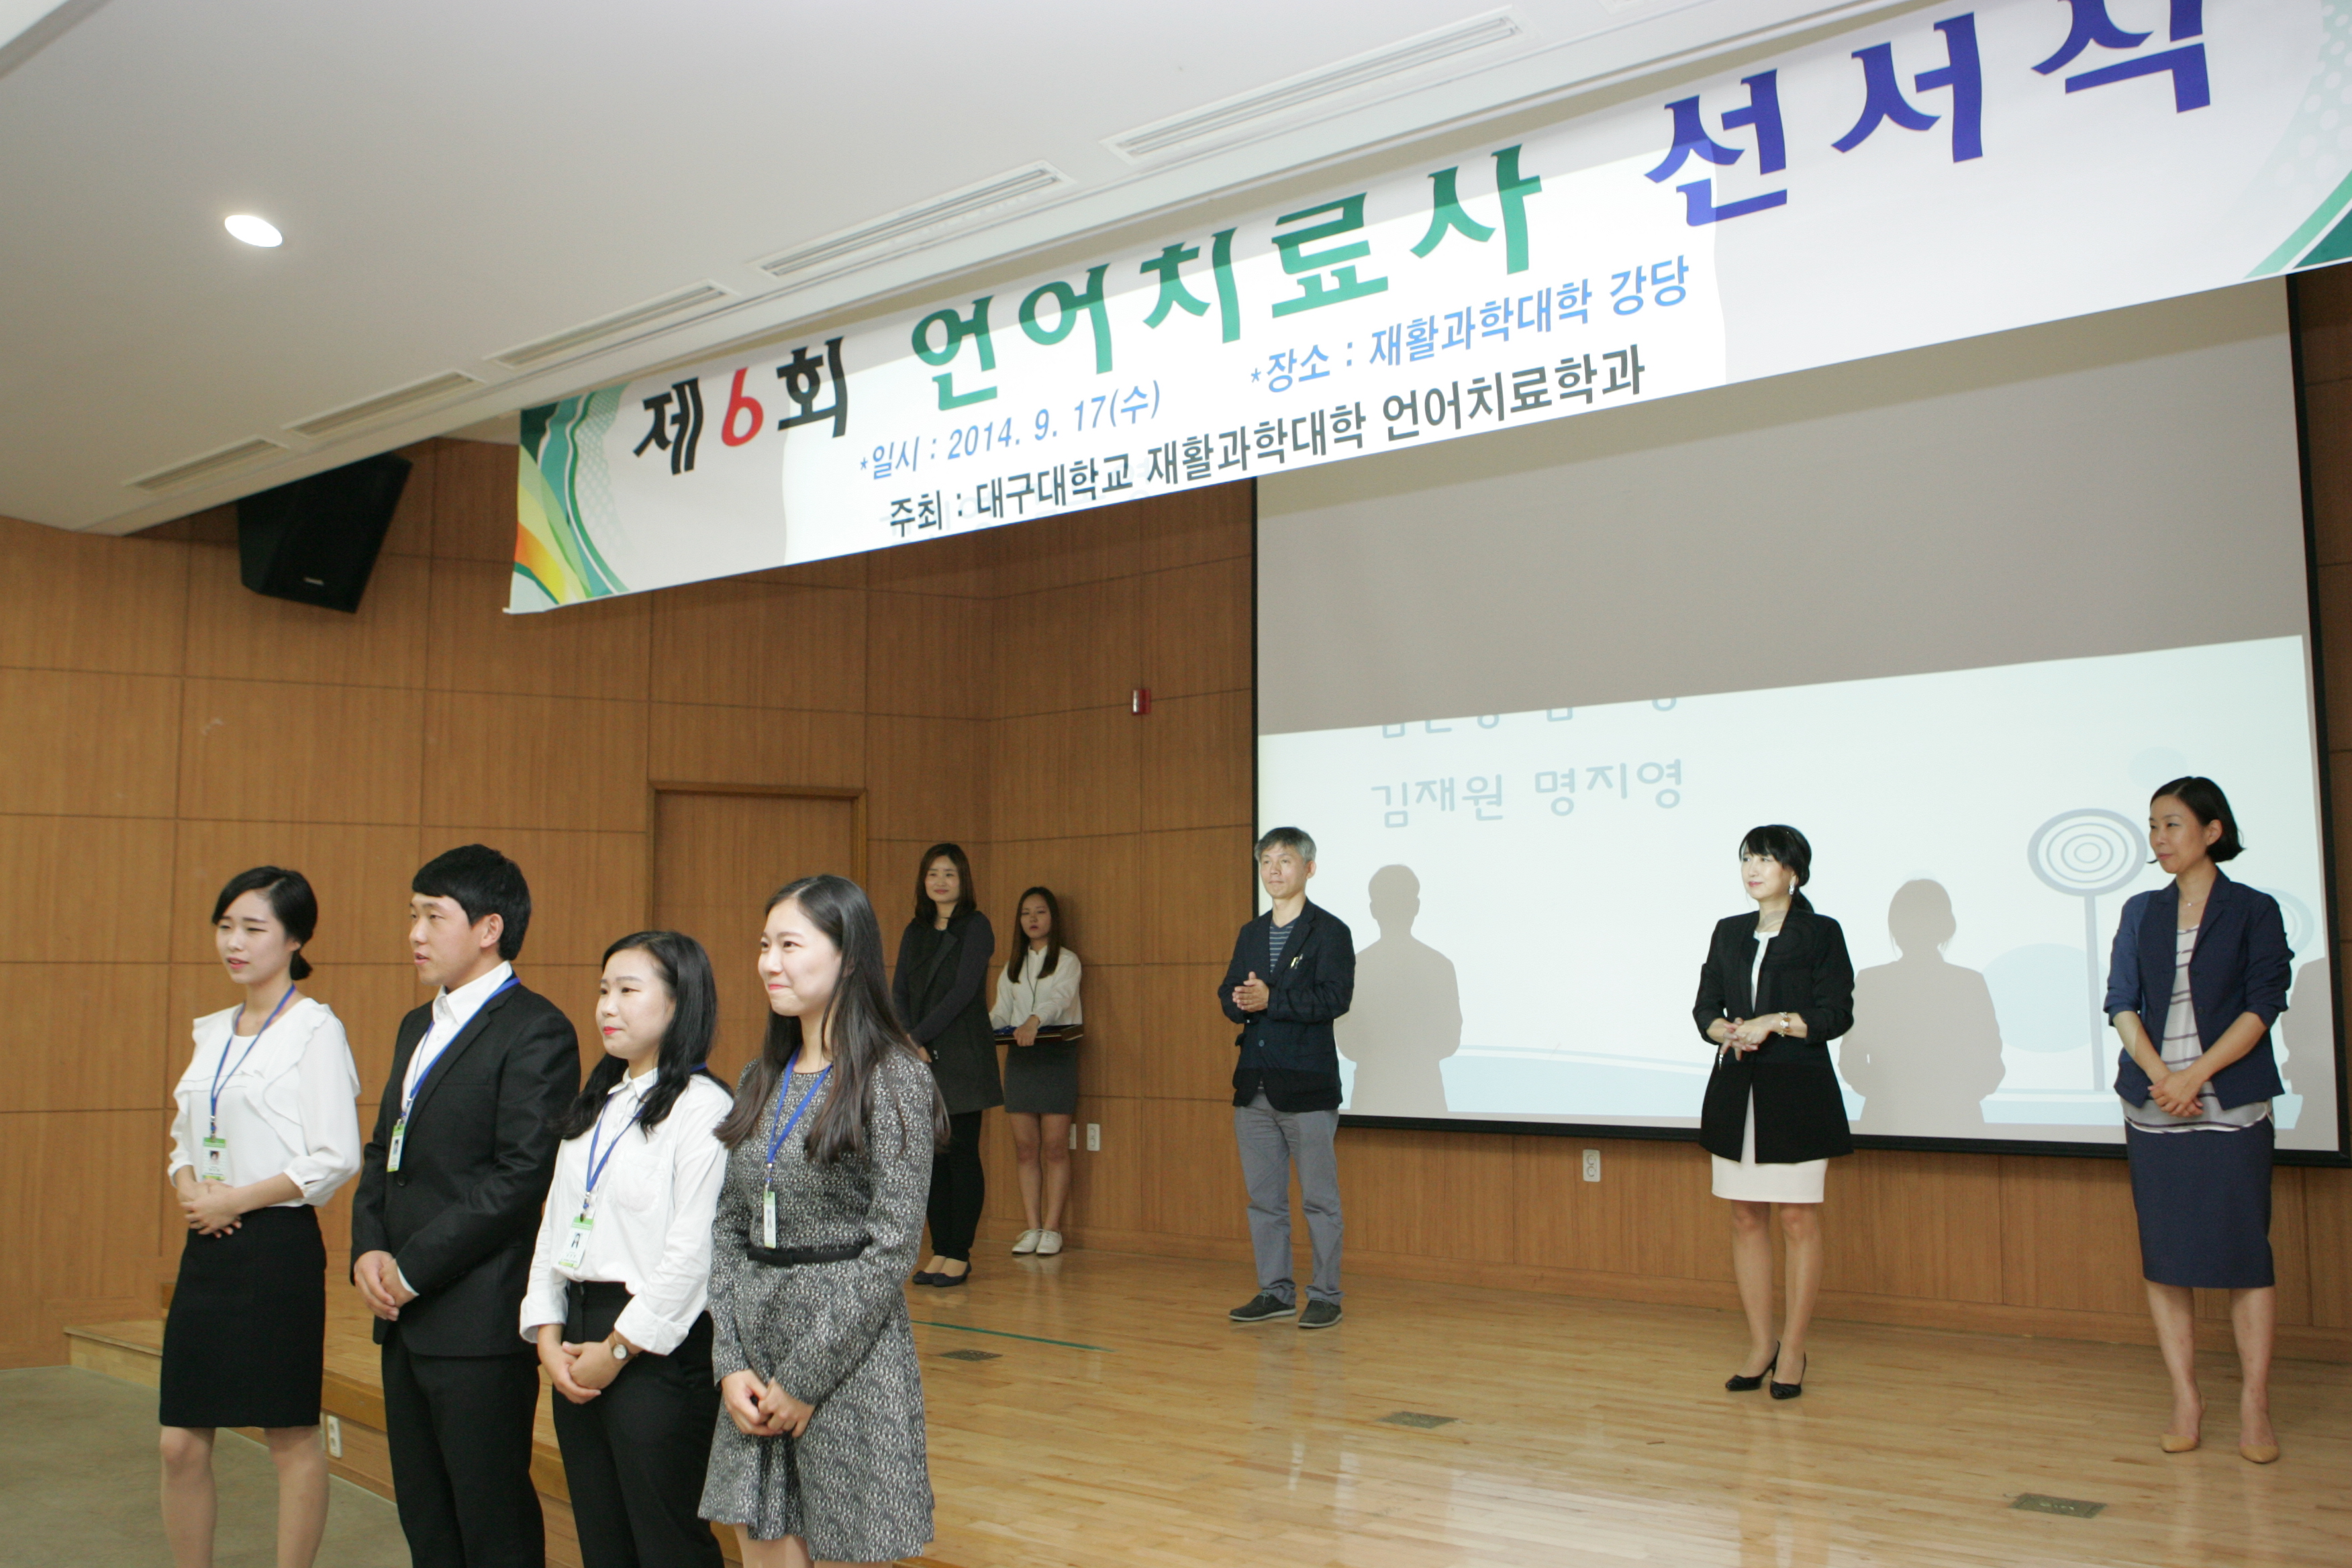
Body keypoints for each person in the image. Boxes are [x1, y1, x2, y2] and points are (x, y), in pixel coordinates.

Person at [701, 875, 948, 1567]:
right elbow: (728, 1228)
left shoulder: (894, 1077)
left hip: (846, 1360)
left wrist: (806, 1377)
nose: (768, 963)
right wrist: (730, 1363)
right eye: (764, 945)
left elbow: (893, 1246)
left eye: (789, 945)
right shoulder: (758, 1077)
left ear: (848, 957)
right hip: (756, 1363)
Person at [350, 844, 581, 1568]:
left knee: (491, 1521)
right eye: (412, 915)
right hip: (404, 1317)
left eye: (432, 916)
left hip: (477, 1320)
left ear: (488, 928)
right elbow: (382, 1152)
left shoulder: (536, 1029)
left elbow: (520, 1178)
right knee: (426, 1517)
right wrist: (368, 1246)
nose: (414, 933)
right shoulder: (415, 1025)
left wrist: (411, 1267)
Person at [161, 867, 362, 1568]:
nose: (234, 943)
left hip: (277, 1246)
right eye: (225, 926)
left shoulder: (314, 1030)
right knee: (179, 1442)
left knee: (289, 1432)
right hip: (208, 1245)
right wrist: (191, 1184)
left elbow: (335, 1156)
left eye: (253, 928)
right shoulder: (212, 1031)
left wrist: (236, 1199)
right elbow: (184, 1138)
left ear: (295, 939)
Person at [521, 932, 734, 1568]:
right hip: (578, 1338)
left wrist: (616, 1350)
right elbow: (555, 1229)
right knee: (602, 1538)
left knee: (667, 1541)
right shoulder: (597, 1104)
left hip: (655, 1351)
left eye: (628, 990)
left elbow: (692, 1257)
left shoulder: (704, 1109)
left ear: (678, 1003)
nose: (607, 1006)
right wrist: (548, 1337)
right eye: (603, 990)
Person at [2104, 777, 2292, 1464]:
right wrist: (2164, 1077)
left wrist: (2195, 1076)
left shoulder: (2253, 909)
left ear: (2213, 831)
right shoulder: (2140, 910)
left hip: (2230, 1101)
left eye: (2173, 824)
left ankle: (2255, 1403)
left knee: (2246, 1255)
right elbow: (2121, 1002)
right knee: (2166, 1257)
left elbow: (2263, 1004)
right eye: (2153, 825)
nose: (2159, 838)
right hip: (2153, 1104)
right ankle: (2186, 1397)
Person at [1693, 824, 1855, 1400]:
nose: (1753, 869)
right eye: (1747, 858)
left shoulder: (1821, 932)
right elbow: (1705, 1008)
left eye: (1765, 859)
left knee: (1796, 1221)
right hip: (1737, 1092)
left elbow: (1836, 1014)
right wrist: (1725, 1029)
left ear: (1794, 872)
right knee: (1745, 1218)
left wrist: (1776, 1022)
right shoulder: (1729, 931)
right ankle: (1761, 1345)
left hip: (1798, 1093)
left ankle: (1793, 1348)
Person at [1220, 827, 1355, 1330]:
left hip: (1307, 1085)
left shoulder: (1330, 931)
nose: (1274, 870)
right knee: (1265, 1201)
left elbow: (1335, 999)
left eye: (1285, 860)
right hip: (1253, 1083)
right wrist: (1240, 1001)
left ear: (1309, 869)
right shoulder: (1251, 933)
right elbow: (1228, 991)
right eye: (1266, 862)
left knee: (1319, 1200)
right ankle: (1275, 1291)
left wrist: (1271, 999)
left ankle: (1326, 1295)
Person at [891, 843, 999, 1287]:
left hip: (962, 1053)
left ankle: (959, 1253)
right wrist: (907, 1037)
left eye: (949, 874)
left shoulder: (977, 926)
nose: (940, 881)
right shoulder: (914, 930)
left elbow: (962, 992)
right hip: (918, 1054)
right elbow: (898, 990)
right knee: (931, 1158)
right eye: (933, 873)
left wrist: (917, 1037)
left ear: (963, 880)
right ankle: (939, 1250)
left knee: (962, 1153)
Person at [990, 886, 1083, 1256]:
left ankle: (1053, 1229)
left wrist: (1033, 1020)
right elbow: (1000, 1011)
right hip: (1021, 1058)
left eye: (1040, 912)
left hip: (1056, 1055)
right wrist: (981, 1030)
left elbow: (1059, 1000)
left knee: (1056, 1148)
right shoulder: (1012, 965)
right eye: (1026, 913)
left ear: (1052, 918)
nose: (1032, 919)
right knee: (1026, 1149)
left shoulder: (1068, 961)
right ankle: (1031, 1227)